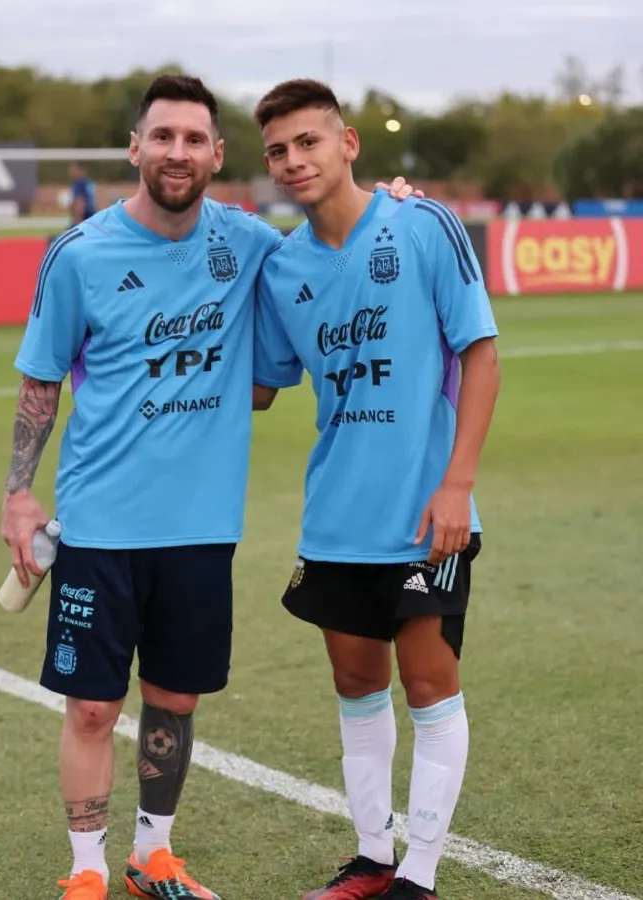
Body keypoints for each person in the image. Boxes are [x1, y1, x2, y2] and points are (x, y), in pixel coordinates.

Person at [0, 73, 419, 900]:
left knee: (175, 700)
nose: (178, 152)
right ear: (136, 148)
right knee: (90, 708)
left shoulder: (252, 242)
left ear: (217, 154)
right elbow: (40, 383)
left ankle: (151, 856)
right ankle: (84, 873)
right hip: (97, 527)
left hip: (199, 529)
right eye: (163, 137)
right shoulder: (79, 254)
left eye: (195, 139)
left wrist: (395, 201)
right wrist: (19, 492)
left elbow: (339, 232)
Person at [251, 79, 501, 900]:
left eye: (308, 142)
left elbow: (480, 355)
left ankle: (417, 879)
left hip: (428, 511)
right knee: (358, 687)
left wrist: (457, 483)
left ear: (348, 141)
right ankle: (371, 858)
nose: (294, 161)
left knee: (429, 689)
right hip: (337, 517)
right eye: (278, 151)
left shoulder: (422, 224)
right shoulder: (282, 266)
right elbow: (259, 387)